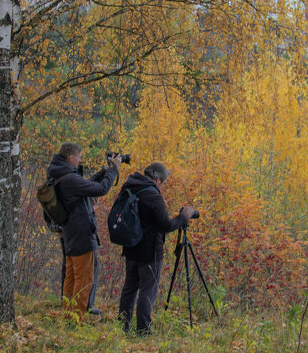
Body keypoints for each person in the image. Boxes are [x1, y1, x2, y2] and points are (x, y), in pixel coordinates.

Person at [115, 162, 196, 335]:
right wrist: (183, 217)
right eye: (163, 183)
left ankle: (122, 327)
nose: (162, 187)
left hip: (130, 246)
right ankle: (143, 330)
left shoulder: (129, 186)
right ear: (158, 179)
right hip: (150, 251)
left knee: (129, 288)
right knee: (147, 290)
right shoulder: (153, 196)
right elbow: (165, 225)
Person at [46, 143, 120, 316]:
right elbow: (100, 189)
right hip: (81, 233)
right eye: (79, 157)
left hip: (70, 232)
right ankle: (77, 317)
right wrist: (113, 170)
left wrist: (104, 171)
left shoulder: (59, 174)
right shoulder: (69, 178)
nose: (80, 160)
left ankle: (68, 313)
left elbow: (85, 185)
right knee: (84, 277)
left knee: (71, 276)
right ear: (71, 158)